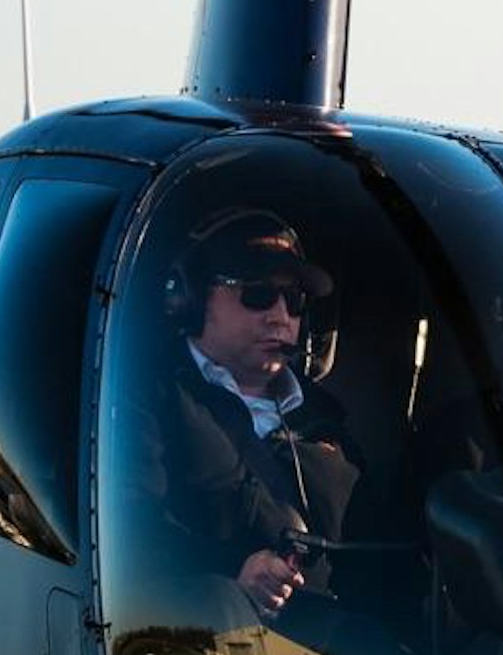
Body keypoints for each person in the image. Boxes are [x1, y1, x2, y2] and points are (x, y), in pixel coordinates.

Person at [119, 206, 360, 624]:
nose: (281, 316)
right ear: (191, 298)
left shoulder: (326, 420)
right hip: (204, 645)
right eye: (257, 292)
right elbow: (125, 537)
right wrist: (233, 576)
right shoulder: (145, 396)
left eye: (294, 300)